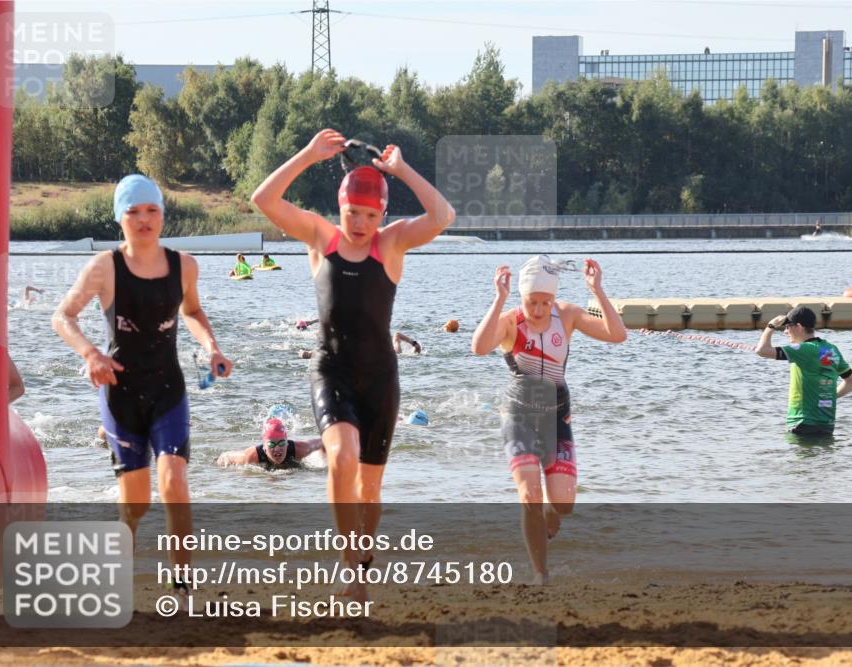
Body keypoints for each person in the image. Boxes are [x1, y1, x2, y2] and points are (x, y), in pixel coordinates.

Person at [251, 129, 455, 601]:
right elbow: (265, 199)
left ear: (381, 213)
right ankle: (349, 565)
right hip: (332, 371)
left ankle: (362, 567)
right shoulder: (321, 239)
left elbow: (443, 215)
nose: (360, 223)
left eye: (369, 214)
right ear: (339, 209)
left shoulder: (392, 244)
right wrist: (306, 154)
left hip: (380, 379)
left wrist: (401, 171)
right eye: (351, 213)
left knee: (369, 492)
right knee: (340, 458)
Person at [53, 174, 233, 590]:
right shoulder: (104, 267)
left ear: (163, 215)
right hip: (121, 395)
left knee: (174, 482)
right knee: (135, 502)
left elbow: (191, 312)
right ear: (120, 218)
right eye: (133, 212)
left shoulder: (184, 265)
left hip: (168, 389)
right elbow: (62, 316)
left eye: (152, 210)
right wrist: (90, 354)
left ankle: (183, 587)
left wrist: (211, 348)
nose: (144, 219)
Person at [471, 255, 626, 585]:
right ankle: (541, 573)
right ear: (521, 298)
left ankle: (550, 514)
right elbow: (479, 347)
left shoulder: (566, 315)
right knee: (529, 494)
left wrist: (597, 290)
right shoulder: (511, 321)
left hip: (557, 413)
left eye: (545, 302)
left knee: (563, 505)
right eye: (532, 302)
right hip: (519, 411)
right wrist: (499, 299)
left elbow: (617, 335)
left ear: (554, 299)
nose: (539, 310)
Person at [754, 306, 852, 436]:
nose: (785, 332)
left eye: (787, 327)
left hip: (801, 422)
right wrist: (829, 397)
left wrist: (771, 326)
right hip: (827, 423)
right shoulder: (831, 349)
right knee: (823, 456)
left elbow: (762, 350)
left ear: (799, 327)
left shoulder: (803, 349)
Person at [217, 418, 324, 470]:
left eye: (282, 443)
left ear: (287, 443)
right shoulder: (251, 456)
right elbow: (224, 457)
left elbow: (324, 441)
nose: (277, 448)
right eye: (271, 444)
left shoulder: (299, 449)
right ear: (264, 447)